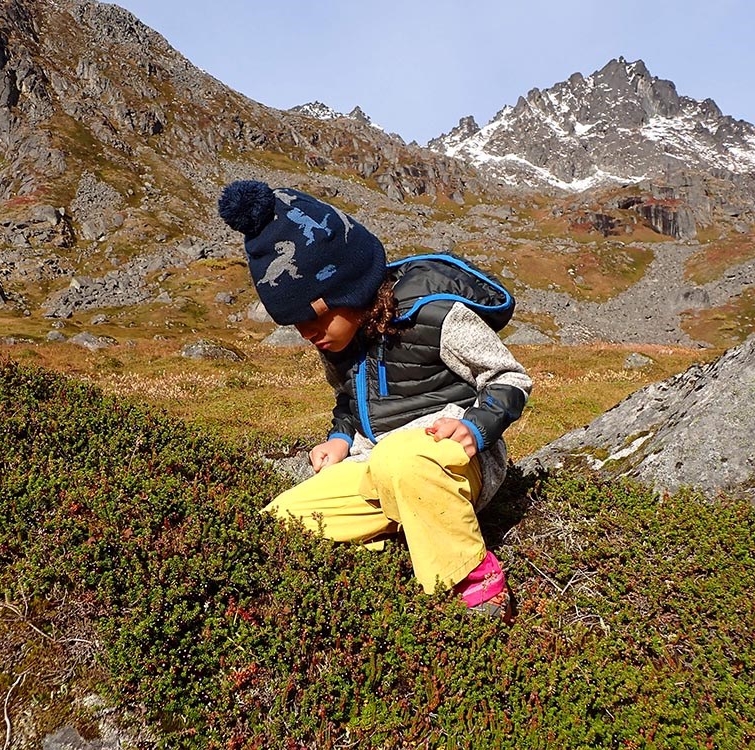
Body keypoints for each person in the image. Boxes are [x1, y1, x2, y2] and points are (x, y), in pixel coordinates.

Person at [217, 180, 532, 621]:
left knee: (401, 463)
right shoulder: (336, 343)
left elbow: (509, 376)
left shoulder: (433, 315)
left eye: (315, 317)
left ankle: (471, 574)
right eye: (295, 325)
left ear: (348, 287)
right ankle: (405, 537)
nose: (309, 333)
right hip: (376, 464)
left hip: (455, 461)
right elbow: (348, 401)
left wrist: (477, 425)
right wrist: (341, 438)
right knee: (282, 523)